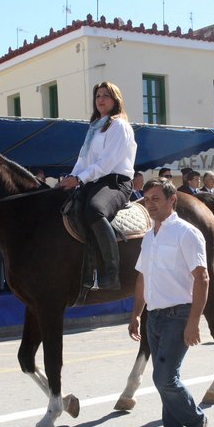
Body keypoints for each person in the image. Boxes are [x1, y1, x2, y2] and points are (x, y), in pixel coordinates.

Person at [128, 178, 208, 427]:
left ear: (172, 200)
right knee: (165, 379)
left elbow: (202, 278)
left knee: (165, 378)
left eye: (156, 199)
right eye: (147, 199)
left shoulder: (187, 233)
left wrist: (194, 322)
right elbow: (142, 277)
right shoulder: (149, 236)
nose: (150, 204)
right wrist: (136, 313)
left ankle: (196, 420)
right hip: (154, 316)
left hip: (178, 315)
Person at [56, 81, 136, 290]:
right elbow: (83, 160)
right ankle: (85, 269)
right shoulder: (95, 127)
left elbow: (107, 162)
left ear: (115, 100)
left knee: (94, 210)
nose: (100, 99)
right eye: (98, 96)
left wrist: (79, 179)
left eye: (106, 96)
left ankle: (112, 272)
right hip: (92, 181)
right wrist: (71, 178)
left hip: (115, 182)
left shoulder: (119, 126)